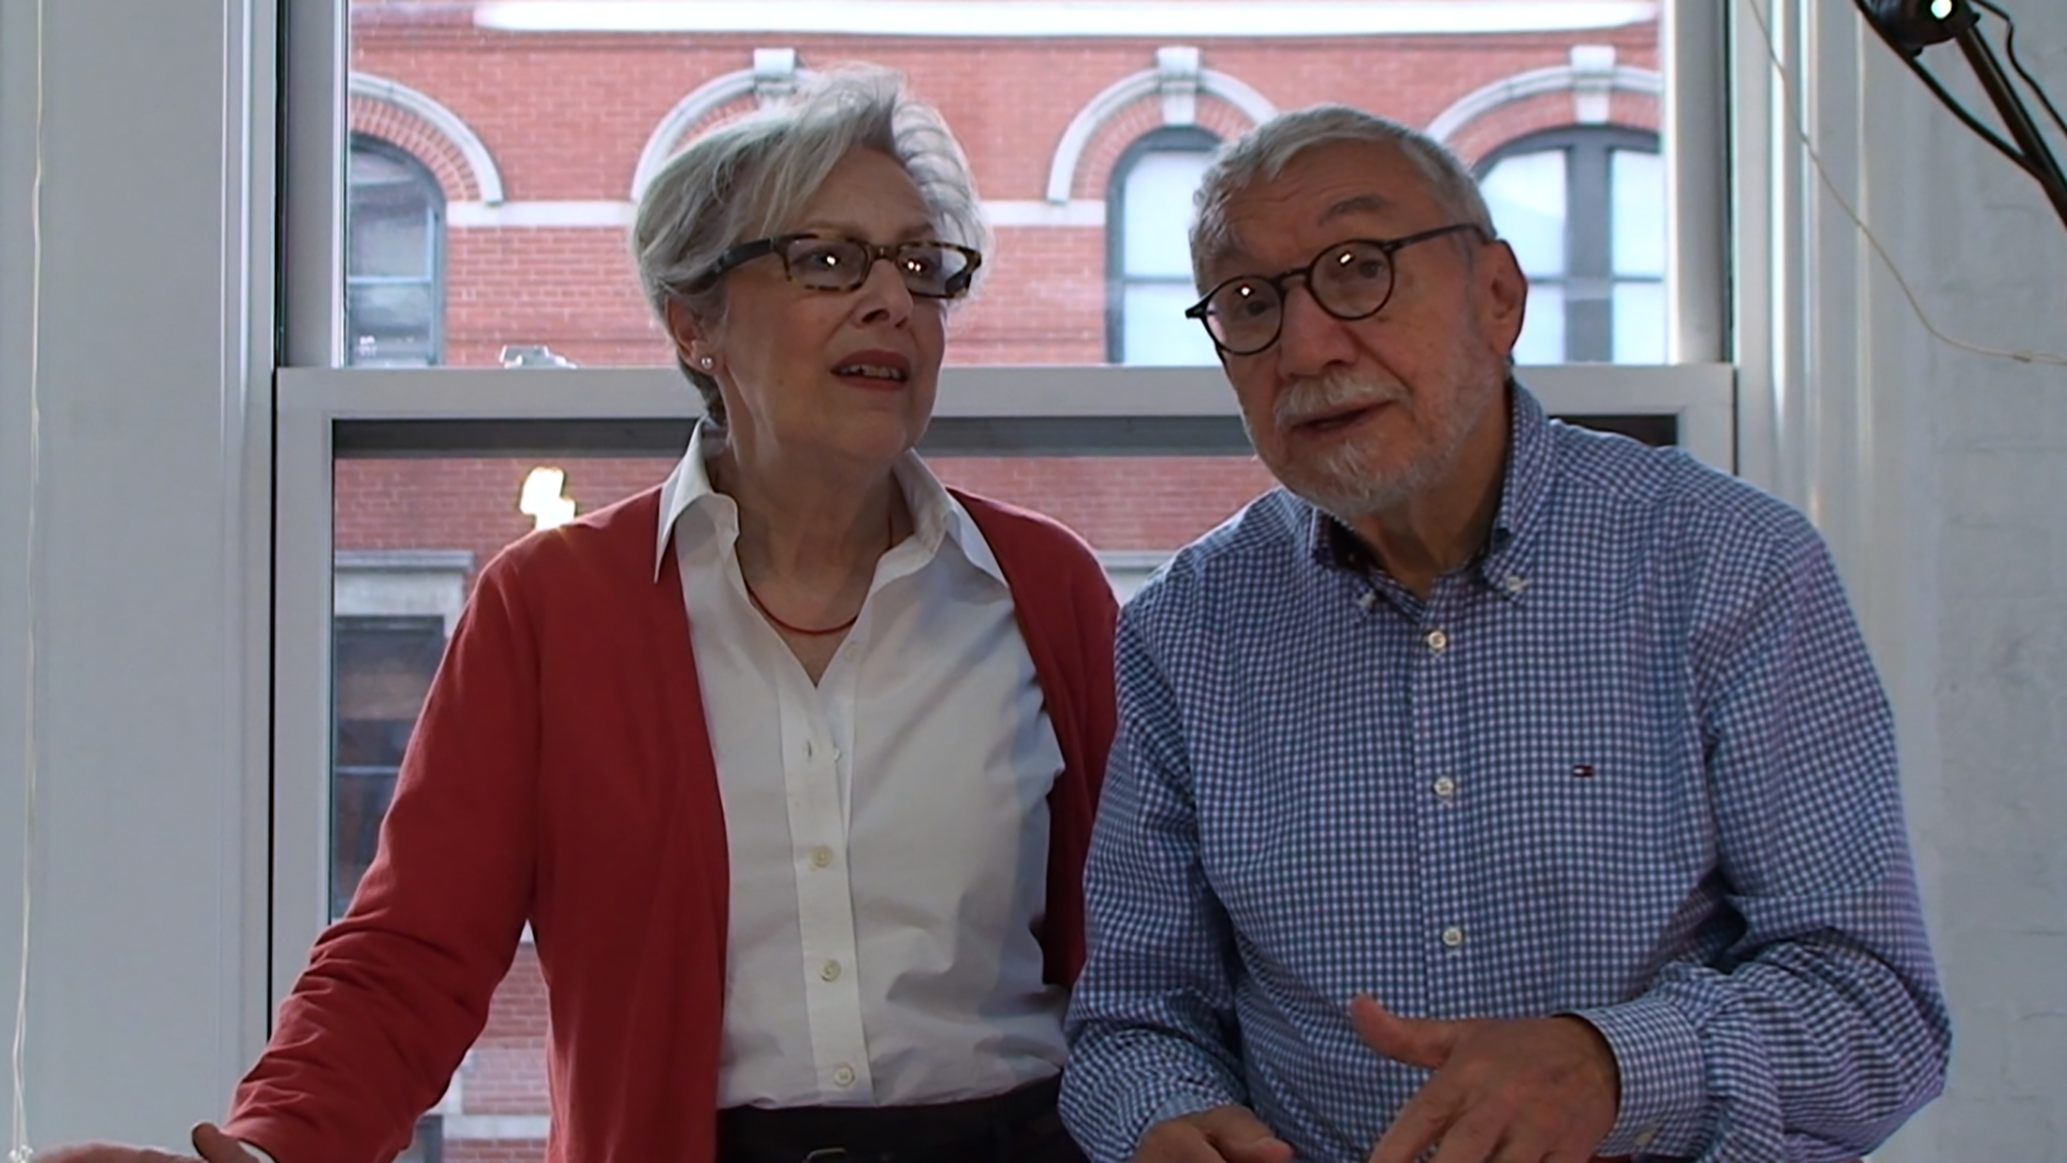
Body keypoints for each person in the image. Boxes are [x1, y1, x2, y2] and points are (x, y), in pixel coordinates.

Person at [47, 66, 1111, 1163]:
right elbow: (412, 952)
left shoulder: (1044, 588)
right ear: (694, 320)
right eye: (827, 260)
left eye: (921, 266)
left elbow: (1150, 952)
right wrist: (275, 1146)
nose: (891, 298)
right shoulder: (548, 607)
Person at [1057, 104, 1950, 1163]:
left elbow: (1876, 1012)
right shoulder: (1187, 629)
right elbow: (1134, 1019)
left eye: (1358, 266)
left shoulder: (1730, 566)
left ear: (1498, 296)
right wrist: (1163, 1116)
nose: (1302, 344)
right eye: (1250, 301)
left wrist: (1612, 1066)